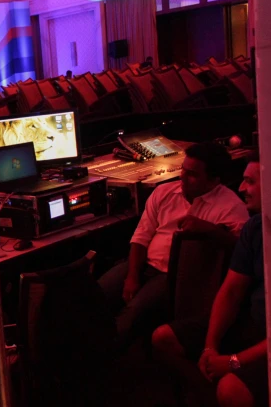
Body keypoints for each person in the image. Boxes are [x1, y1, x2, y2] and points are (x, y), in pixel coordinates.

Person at [152, 152, 267, 407]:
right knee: (163, 337)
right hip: (253, 322)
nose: (241, 188)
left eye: (250, 181)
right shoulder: (255, 228)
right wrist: (209, 348)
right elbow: (230, 291)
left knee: (230, 387)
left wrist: (232, 362)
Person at [99, 142, 248, 351]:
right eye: (183, 170)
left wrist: (212, 231)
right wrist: (132, 276)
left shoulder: (231, 208)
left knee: (132, 314)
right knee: (95, 295)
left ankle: (102, 361)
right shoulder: (163, 192)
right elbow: (141, 238)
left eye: (192, 174)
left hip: (177, 277)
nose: (182, 178)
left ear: (214, 180)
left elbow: (244, 253)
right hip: (144, 263)